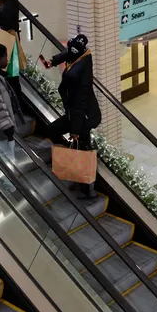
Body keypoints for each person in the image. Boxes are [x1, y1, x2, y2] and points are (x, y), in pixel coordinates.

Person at [41, 33, 102, 200]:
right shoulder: (79, 54)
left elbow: (81, 103)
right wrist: (52, 62)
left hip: (84, 115)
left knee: (84, 149)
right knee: (53, 131)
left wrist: (74, 130)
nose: (70, 51)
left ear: (80, 51)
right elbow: (68, 53)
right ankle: (71, 153)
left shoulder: (83, 72)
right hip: (74, 112)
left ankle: (89, 190)